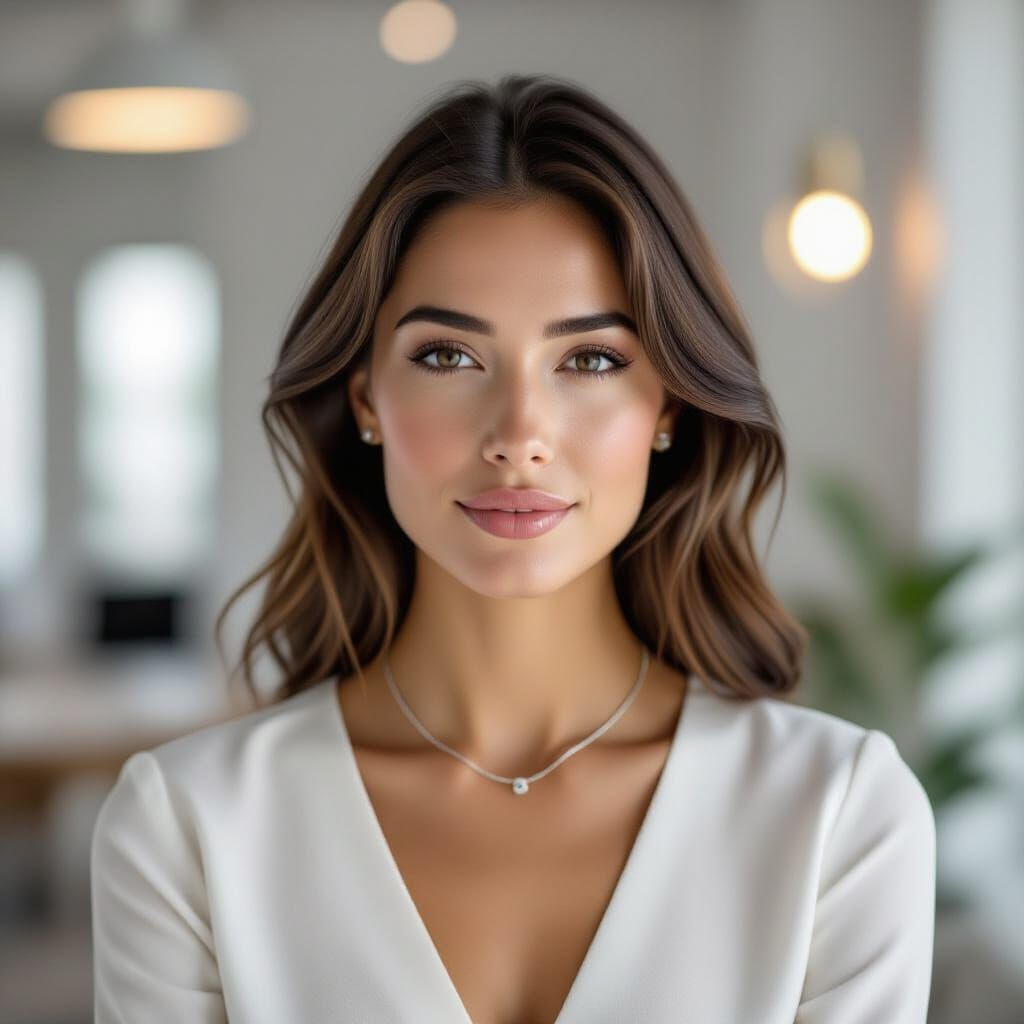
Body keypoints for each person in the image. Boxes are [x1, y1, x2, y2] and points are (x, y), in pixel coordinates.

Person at [90, 73, 936, 1023]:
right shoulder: (187, 827)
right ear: (366, 397)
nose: (520, 432)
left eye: (592, 359)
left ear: (668, 404)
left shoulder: (838, 816)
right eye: (449, 356)